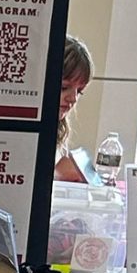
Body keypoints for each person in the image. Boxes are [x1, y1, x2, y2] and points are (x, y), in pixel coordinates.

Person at [53, 33, 94, 179]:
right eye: (64, 87)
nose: (73, 98)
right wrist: (56, 176)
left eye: (80, 91)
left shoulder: (58, 128)